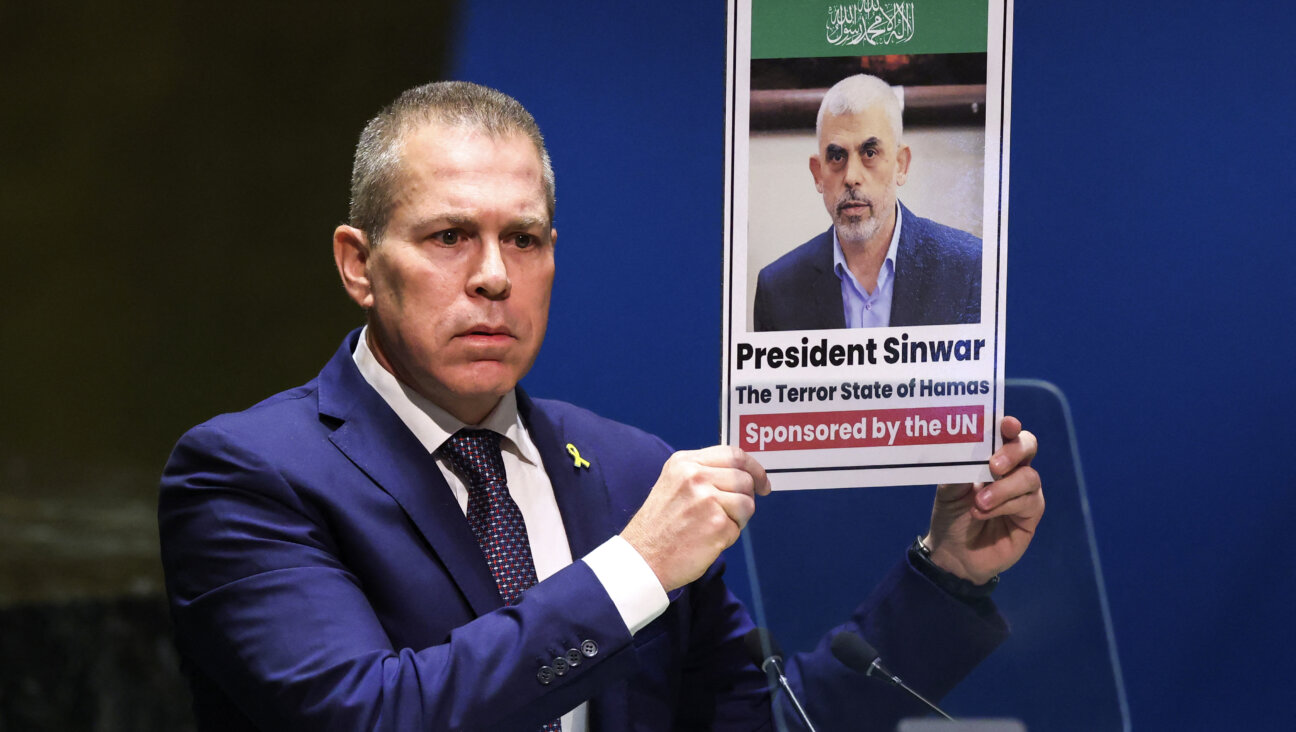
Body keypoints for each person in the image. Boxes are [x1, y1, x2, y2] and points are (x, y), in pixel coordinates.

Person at [158, 81, 1043, 731]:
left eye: (525, 239)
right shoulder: (251, 473)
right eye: (449, 237)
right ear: (358, 264)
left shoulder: (624, 471)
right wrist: (633, 570)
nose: (495, 274)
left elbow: (764, 728)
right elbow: (368, 716)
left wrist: (946, 574)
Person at [753, 74, 982, 331]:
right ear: (818, 174)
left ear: (901, 165)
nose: (851, 177)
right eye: (837, 156)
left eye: (869, 153)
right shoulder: (777, 290)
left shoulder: (969, 268)